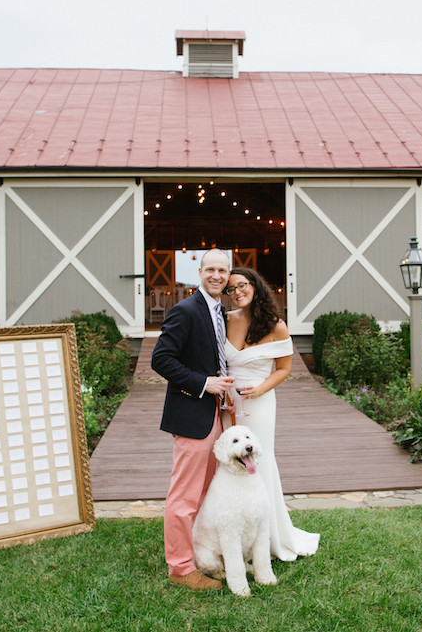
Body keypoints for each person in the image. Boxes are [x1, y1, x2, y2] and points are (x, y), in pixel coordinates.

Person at [223, 266, 320, 561]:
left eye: (242, 285)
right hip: (228, 405)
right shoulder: (225, 321)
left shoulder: (276, 325)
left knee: (258, 466)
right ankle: (235, 538)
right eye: (231, 289)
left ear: (255, 286)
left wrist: (261, 389)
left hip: (260, 403)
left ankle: (268, 539)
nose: (237, 292)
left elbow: (284, 369)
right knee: (229, 467)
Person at [151, 248, 234, 591]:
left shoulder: (219, 311)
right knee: (184, 497)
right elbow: (161, 360)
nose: (217, 275)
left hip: (213, 413)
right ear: (199, 272)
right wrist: (205, 383)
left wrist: (224, 384)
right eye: (210, 269)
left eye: (223, 271)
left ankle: (198, 554)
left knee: (203, 493)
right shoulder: (184, 310)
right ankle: (181, 568)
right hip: (191, 412)